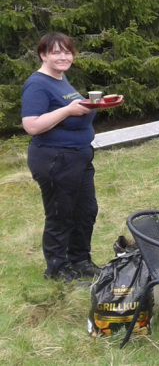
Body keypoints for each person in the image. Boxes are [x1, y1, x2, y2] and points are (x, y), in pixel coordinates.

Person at [21, 33, 100, 283]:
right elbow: (31, 125)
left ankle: (80, 261)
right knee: (60, 214)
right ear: (43, 55)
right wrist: (67, 110)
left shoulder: (60, 79)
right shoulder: (37, 84)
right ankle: (56, 270)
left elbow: (71, 110)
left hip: (79, 157)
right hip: (54, 159)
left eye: (67, 52)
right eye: (56, 52)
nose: (63, 57)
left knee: (86, 210)